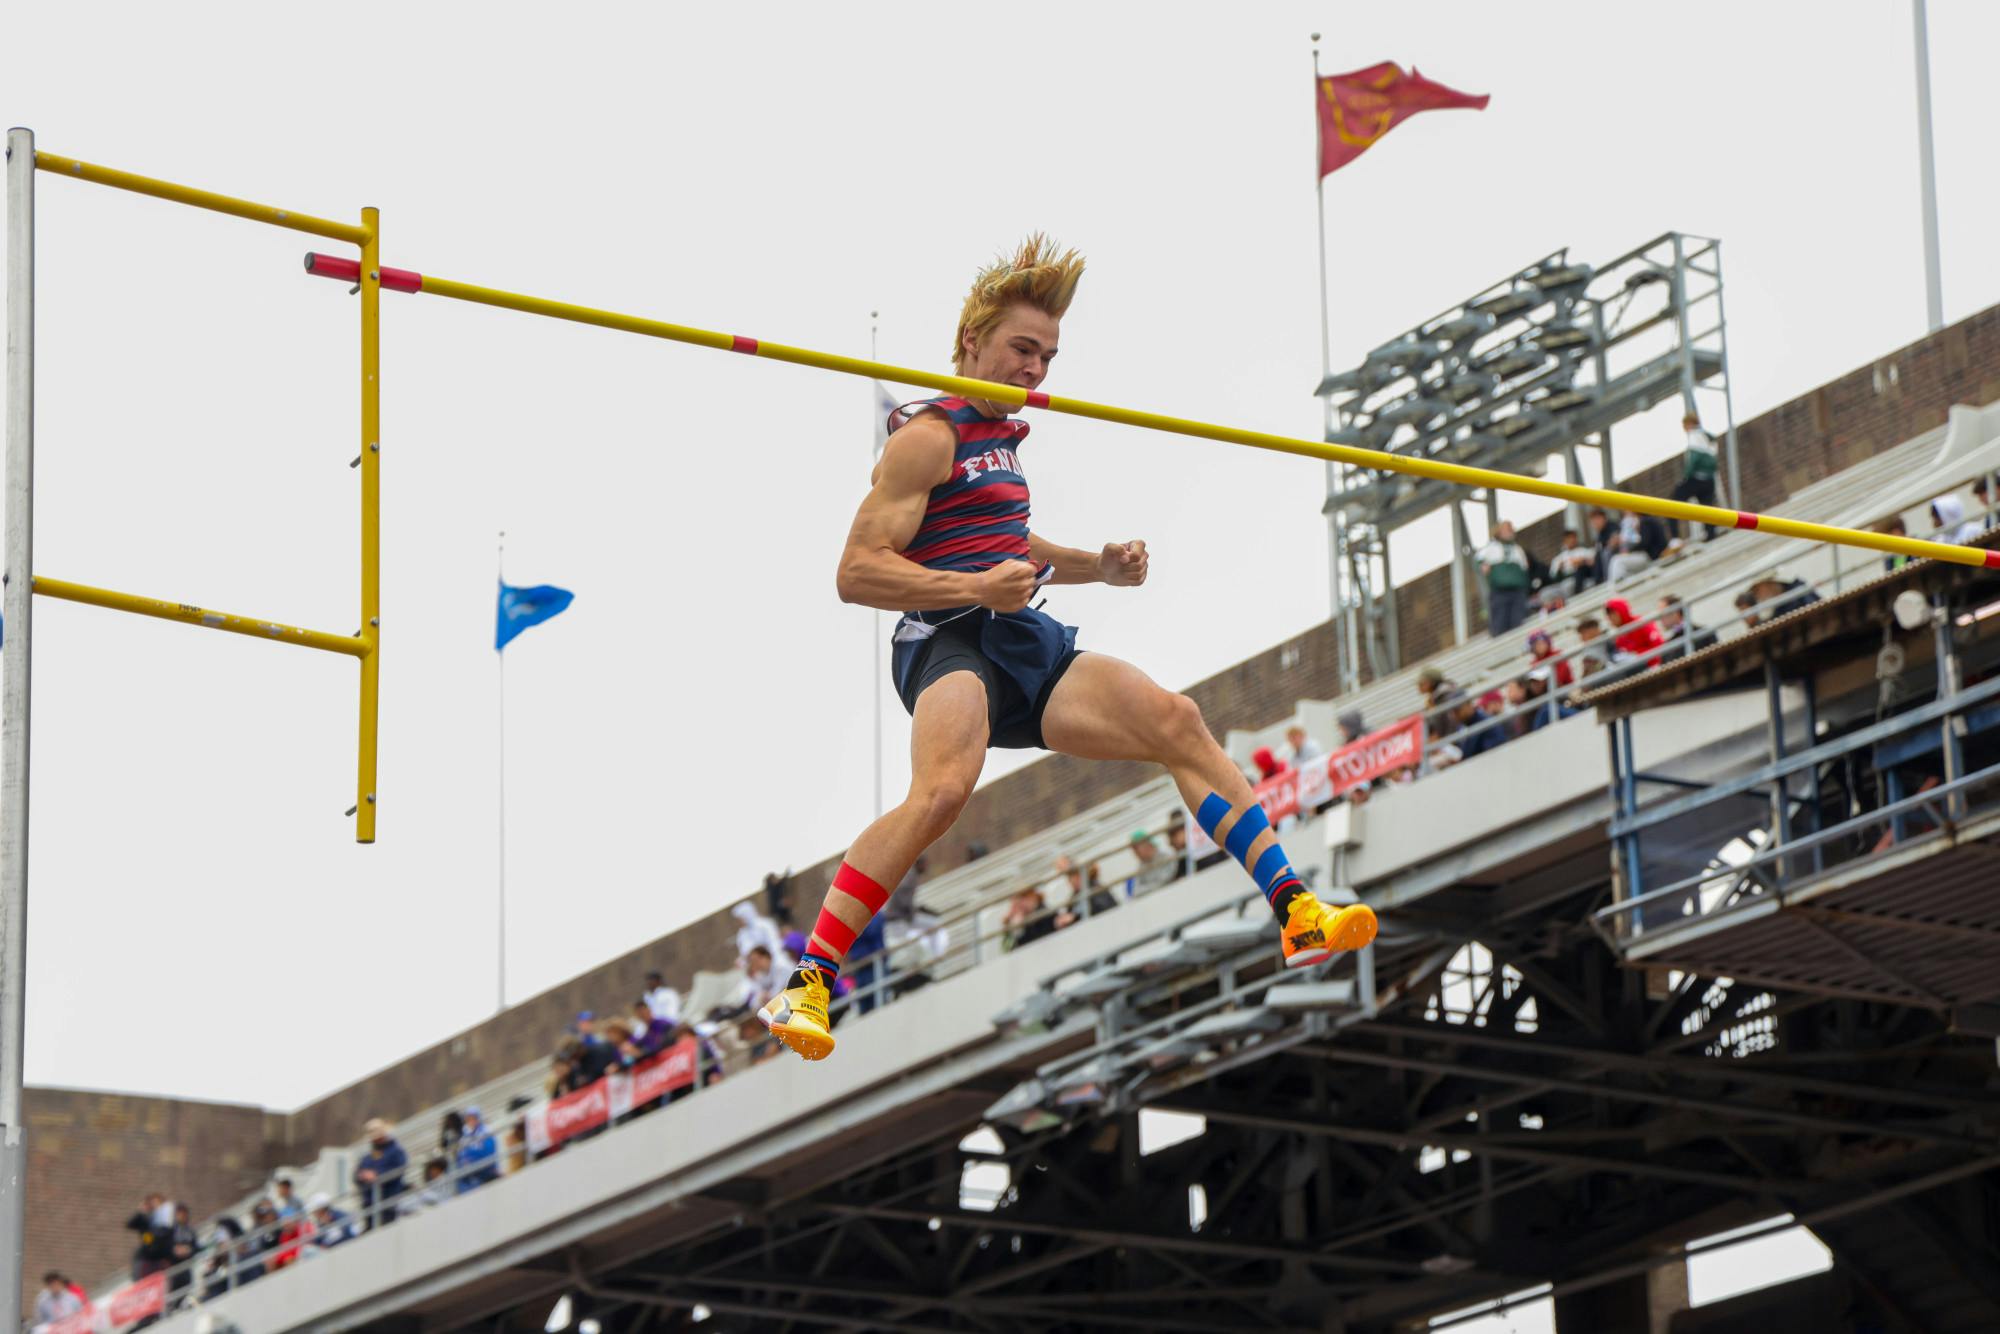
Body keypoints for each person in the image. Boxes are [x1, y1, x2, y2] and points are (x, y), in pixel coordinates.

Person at [758, 236, 1375, 1063]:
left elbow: (1005, 538)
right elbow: (856, 573)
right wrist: (976, 590)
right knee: (943, 793)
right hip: (946, 639)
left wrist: (1098, 568)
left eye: (1047, 355)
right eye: (1023, 349)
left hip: (1019, 635)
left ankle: (1297, 910)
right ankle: (809, 983)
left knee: (1176, 719)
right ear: (972, 340)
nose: (1036, 369)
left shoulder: (1001, 439)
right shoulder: (926, 438)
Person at [1477, 520, 1533, 634]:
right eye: (1507, 529)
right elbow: (1478, 560)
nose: (1511, 531)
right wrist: (1483, 566)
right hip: (1500, 592)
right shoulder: (1491, 548)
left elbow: (1525, 569)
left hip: (1518, 592)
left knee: (1518, 622)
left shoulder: (1517, 549)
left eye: (1511, 528)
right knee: (1500, 624)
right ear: (1498, 532)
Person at [1671, 411, 1720, 540]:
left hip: (1697, 478)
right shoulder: (1707, 436)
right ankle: (1711, 533)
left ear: (1689, 424)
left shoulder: (1694, 436)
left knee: (1673, 502)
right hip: (1709, 479)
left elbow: (1694, 458)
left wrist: (1686, 477)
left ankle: (1675, 537)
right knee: (1707, 506)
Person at [355, 1117, 409, 1230]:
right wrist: (362, 1176)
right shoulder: (367, 1157)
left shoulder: (396, 1151)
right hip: (370, 1204)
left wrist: (377, 1175)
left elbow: (400, 1169)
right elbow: (356, 1175)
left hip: (389, 1200)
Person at [1605, 596, 1665, 665]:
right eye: (1608, 615)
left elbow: (1658, 647)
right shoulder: (1619, 637)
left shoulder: (1641, 623)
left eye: (1612, 613)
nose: (1610, 618)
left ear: (1622, 611)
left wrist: (1637, 655)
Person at [454, 1106, 500, 1192]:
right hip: (473, 1176)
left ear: (478, 1118)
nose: (471, 1121)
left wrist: (471, 1158)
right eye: (468, 1119)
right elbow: (461, 1157)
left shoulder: (486, 1131)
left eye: (473, 1118)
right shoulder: (464, 1136)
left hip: (488, 1172)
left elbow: (488, 1152)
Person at [1001, 887, 1056, 952]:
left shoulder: (1044, 913)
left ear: (1033, 896)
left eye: (1023, 898)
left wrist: (1019, 929)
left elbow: (1034, 943)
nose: (1020, 903)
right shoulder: (1021, 919)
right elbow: (1006, 949)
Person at [1127, 829, 1179, 897]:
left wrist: (1148, 888)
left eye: (1136, 848)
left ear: (1146, 843)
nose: (1135, 853)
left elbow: (1165, 881)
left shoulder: (1167, 855)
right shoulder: (1141, 867)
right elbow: (1135, 891)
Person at [1547, 528, 1596, 598]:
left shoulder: (1584, 551)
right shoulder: (1559, 559)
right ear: (1564, 541)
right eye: (1568, 538)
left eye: (1573, 537)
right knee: (1545, 593)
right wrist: (1559, 570)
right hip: (1562, 582)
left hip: (1579, 578)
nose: (1572, 540)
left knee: (1568, 586)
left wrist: (1583, 562)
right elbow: (1552, 577)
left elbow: (1594, 564)